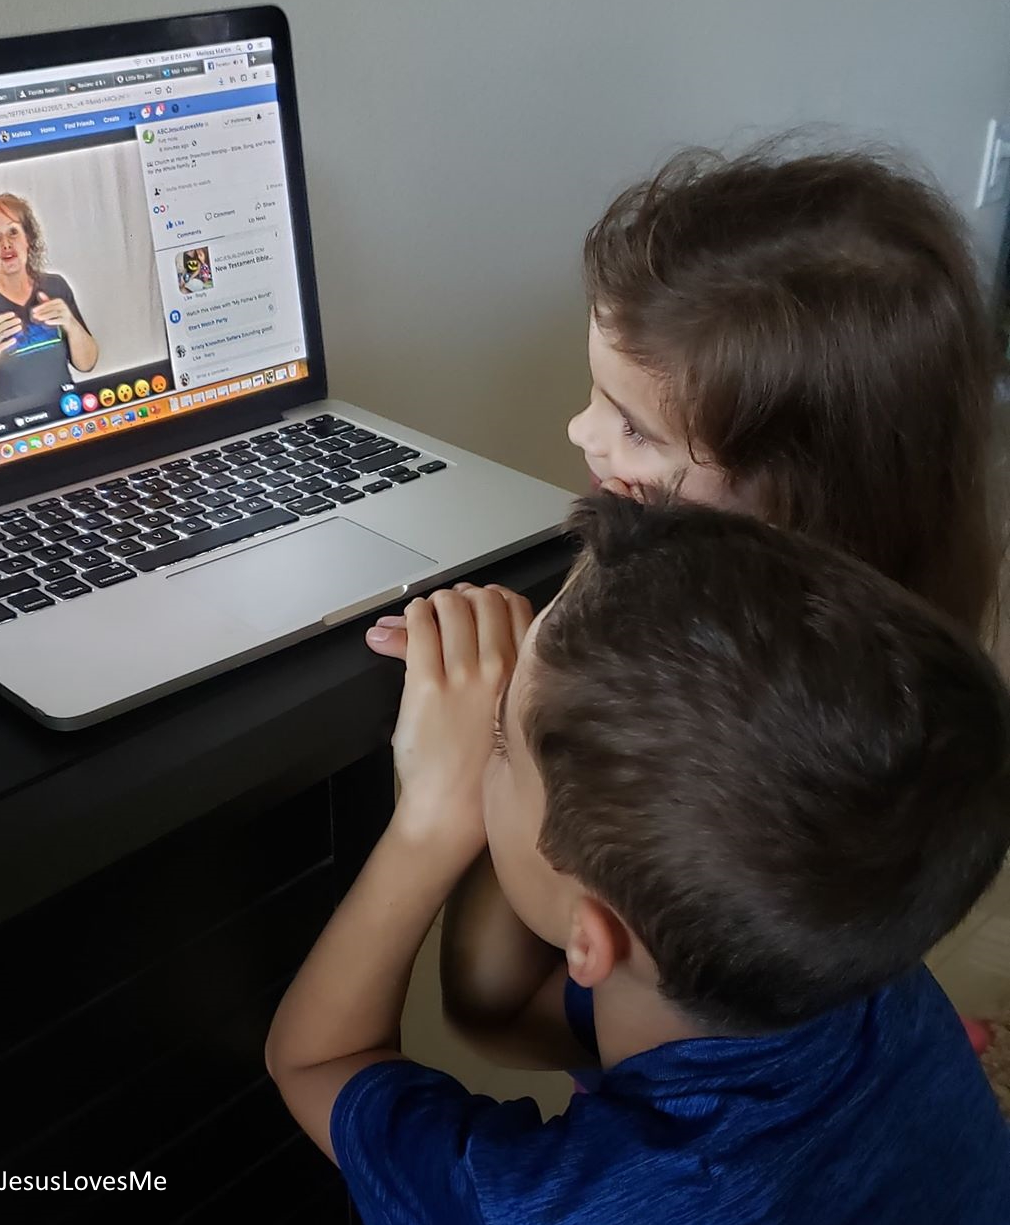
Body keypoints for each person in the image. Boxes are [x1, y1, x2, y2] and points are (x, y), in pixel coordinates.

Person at [365, 145, 1004, 1063]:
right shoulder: (855, 598)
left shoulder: (796, 713)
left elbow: (496, 1003)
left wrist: (491, 744)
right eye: (597, 392)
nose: (581, 433)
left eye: (634, 427)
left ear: (796, 487)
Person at [266, 494, 1010, 1223]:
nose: (488, 735)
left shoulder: (535, 1203)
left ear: (593, 938)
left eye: (496, 743)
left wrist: (430, 819)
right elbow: (503, 1006)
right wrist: (534, 713)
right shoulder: (853, 941)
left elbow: (314, 1060)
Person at [0, 193, 98, 408]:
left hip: (67, 415)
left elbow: (87, 364)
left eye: (13, 231)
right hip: (16, 431)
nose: (6, 244)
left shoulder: (55, 287)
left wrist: (70, 323)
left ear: (28, 238)